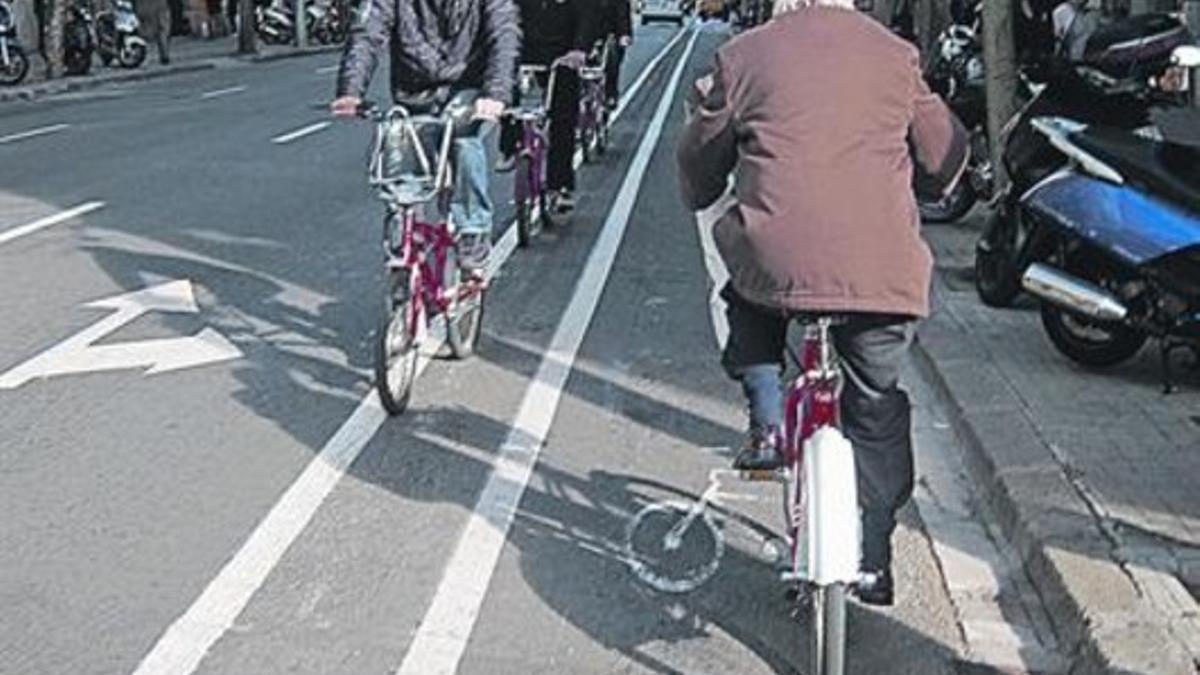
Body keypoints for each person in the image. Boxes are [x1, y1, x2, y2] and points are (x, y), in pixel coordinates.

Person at [677, 0, 967, 606]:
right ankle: (877, 554)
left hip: (777, 261)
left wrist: (703, 187)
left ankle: (765, 420)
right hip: (879, 270)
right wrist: (937, 182)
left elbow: (702, 159)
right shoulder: (894, 54)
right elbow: (944, 155)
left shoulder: (744, 55)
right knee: (875, 404)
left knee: (748, 296)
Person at [331, 0, 521, 269]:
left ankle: (473, 229)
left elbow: (504, 35)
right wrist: (351, 90)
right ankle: (401, 227)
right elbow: (367, 34)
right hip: (414, 92)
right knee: (396, 154)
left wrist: (496, 95)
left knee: (464, 140)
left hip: (467, 91)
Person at [498, 0, 595, 214]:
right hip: (525, 55)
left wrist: (579, 50)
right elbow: (506, 19)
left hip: (563, 59)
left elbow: (586, 19)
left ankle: (560, 186)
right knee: (503, 99)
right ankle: (507, 146)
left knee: (563, 120)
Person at [597, 0, 633, 108]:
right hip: (585, 34)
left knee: (612, 55)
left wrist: (624, 34)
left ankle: (610, 93)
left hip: (610, 34)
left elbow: (623, 14)